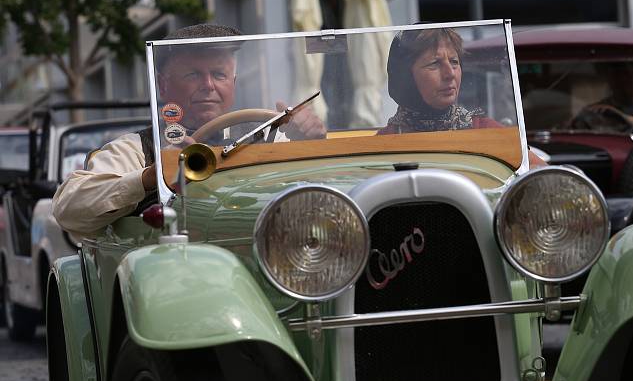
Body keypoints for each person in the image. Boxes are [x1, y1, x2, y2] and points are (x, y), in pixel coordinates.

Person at [52, 23, 325, 238]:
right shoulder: (138, 148)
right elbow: (68, 209)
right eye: (193, 75)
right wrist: (152, 175)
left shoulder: (270, 136)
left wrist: (310, 146)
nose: (208, 85)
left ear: (233, 83)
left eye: (218, 75)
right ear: (163, 86)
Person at [377, 28, 546, 167]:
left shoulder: (486, 132)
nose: (450, 74)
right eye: (434, 63)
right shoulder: (381, 144)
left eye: (454, 62)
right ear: (405, 78)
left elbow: (544, 176)